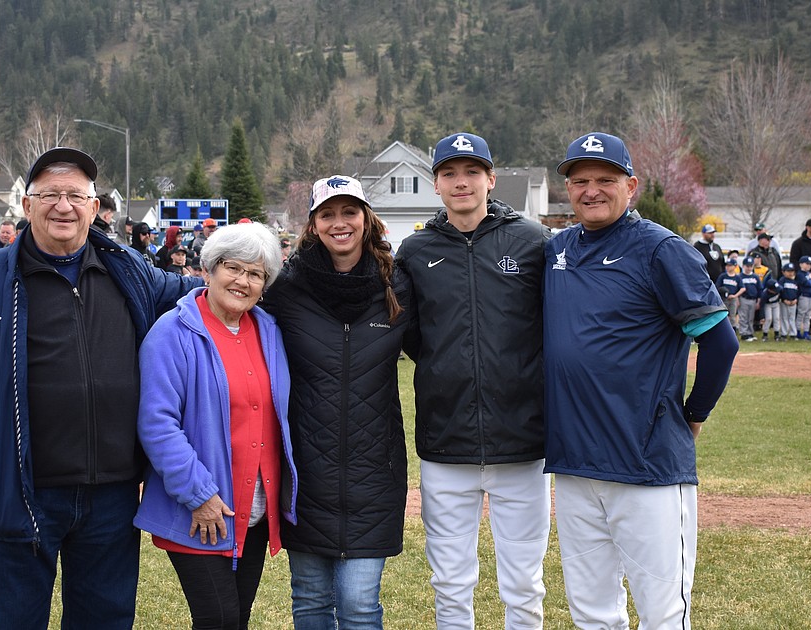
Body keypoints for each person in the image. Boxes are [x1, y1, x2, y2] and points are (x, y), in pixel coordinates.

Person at [0, 147, 202, 629]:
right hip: (22, 484)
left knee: (105, 619)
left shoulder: (128, 269)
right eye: (49, 194)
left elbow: (198, 294)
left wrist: (256, 275)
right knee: (16, 620)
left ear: (94, 208)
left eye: (76, 194)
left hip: (112, 491)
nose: (63, 206)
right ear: (27, 206)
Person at [544, 132, 737, 630]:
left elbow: (721, 343)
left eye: (605, 180)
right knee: (590, 610)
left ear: (631, 185)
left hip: (645, 464)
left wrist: (693, 416)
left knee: (662, 611)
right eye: (580, 181)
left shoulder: (659, 249)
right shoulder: (558, 250)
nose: (591, 190)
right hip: (574, 464)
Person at [395, 132, 551, 629]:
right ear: (436, 184)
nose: (461, 182)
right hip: (446, 441)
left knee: (523, 580)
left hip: (521, 439)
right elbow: (413, 337)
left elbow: (552, 326)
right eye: (449, 174)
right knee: (450, 578)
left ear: (490, 178)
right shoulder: (415, 250)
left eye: (471, 172)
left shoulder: (531, 240)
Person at [261, 176, 411, 629]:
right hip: (306, 473)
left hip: (374, 473)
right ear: (313, 224)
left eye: (349, 212)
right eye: (327, 213)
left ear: (367, 219)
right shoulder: (285, 290)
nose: (339, 223)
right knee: (309, 599)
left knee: (360, 604)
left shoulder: (399, 286)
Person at [135, 222, 298, 630]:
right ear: (209, 269)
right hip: (202, 510)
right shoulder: (172, 332)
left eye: (256, 273)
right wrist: (198, 494)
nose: (243, 281)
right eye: (233, 267)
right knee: (219, 619)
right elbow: (158, 423)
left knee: (236, 618)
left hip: (256, 511)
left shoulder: (269, 331)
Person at [796, 256, 811, 341]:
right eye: (807, 264)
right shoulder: (800, 274)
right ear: (801, 264)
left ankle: (806, 332)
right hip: (804, 296)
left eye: (810, 264)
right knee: (801, 315)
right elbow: (806, 283)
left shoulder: (809, 274)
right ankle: (798, 332)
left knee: (808, 316)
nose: (809, 266)